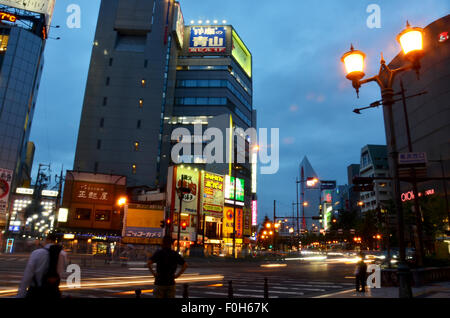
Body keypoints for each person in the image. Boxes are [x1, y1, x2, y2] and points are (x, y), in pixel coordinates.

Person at [17, 232, 67, 298]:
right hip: (53, 291)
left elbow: (27, 275)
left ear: (47, 239)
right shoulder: (63, 254)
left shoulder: (37, 253)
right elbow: (61, 271)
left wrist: (21, 295)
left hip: (36, 291)